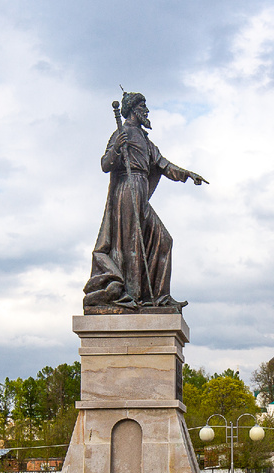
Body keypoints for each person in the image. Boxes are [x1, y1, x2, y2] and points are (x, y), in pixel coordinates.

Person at [82, 91, 207, 313]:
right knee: (131, 244)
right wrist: (116, 148)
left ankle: (158, 297)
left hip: (140, 190)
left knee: (163, 240)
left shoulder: (145, 140)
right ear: (132, 109)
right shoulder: (121, 133)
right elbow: (105, 164)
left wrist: (188, 174)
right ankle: (129, 294)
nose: (147, 111)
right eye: (143, 106)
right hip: (127, 187)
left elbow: (163, 164)